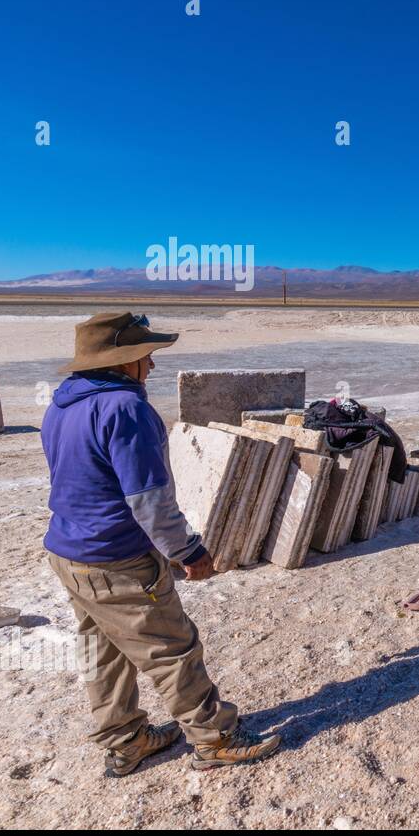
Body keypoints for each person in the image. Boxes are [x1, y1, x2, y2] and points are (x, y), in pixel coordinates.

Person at [41, 312, 281, 777]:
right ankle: (215, 738)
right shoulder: (125, 410)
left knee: (103, 650)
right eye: (144, 355)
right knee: (172, 648)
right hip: (117, 558)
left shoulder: (62, 405)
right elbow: (147, 500)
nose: (150, 365)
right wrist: (188, 551)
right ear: (122, 362)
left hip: (69, 553)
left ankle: (125, 741)